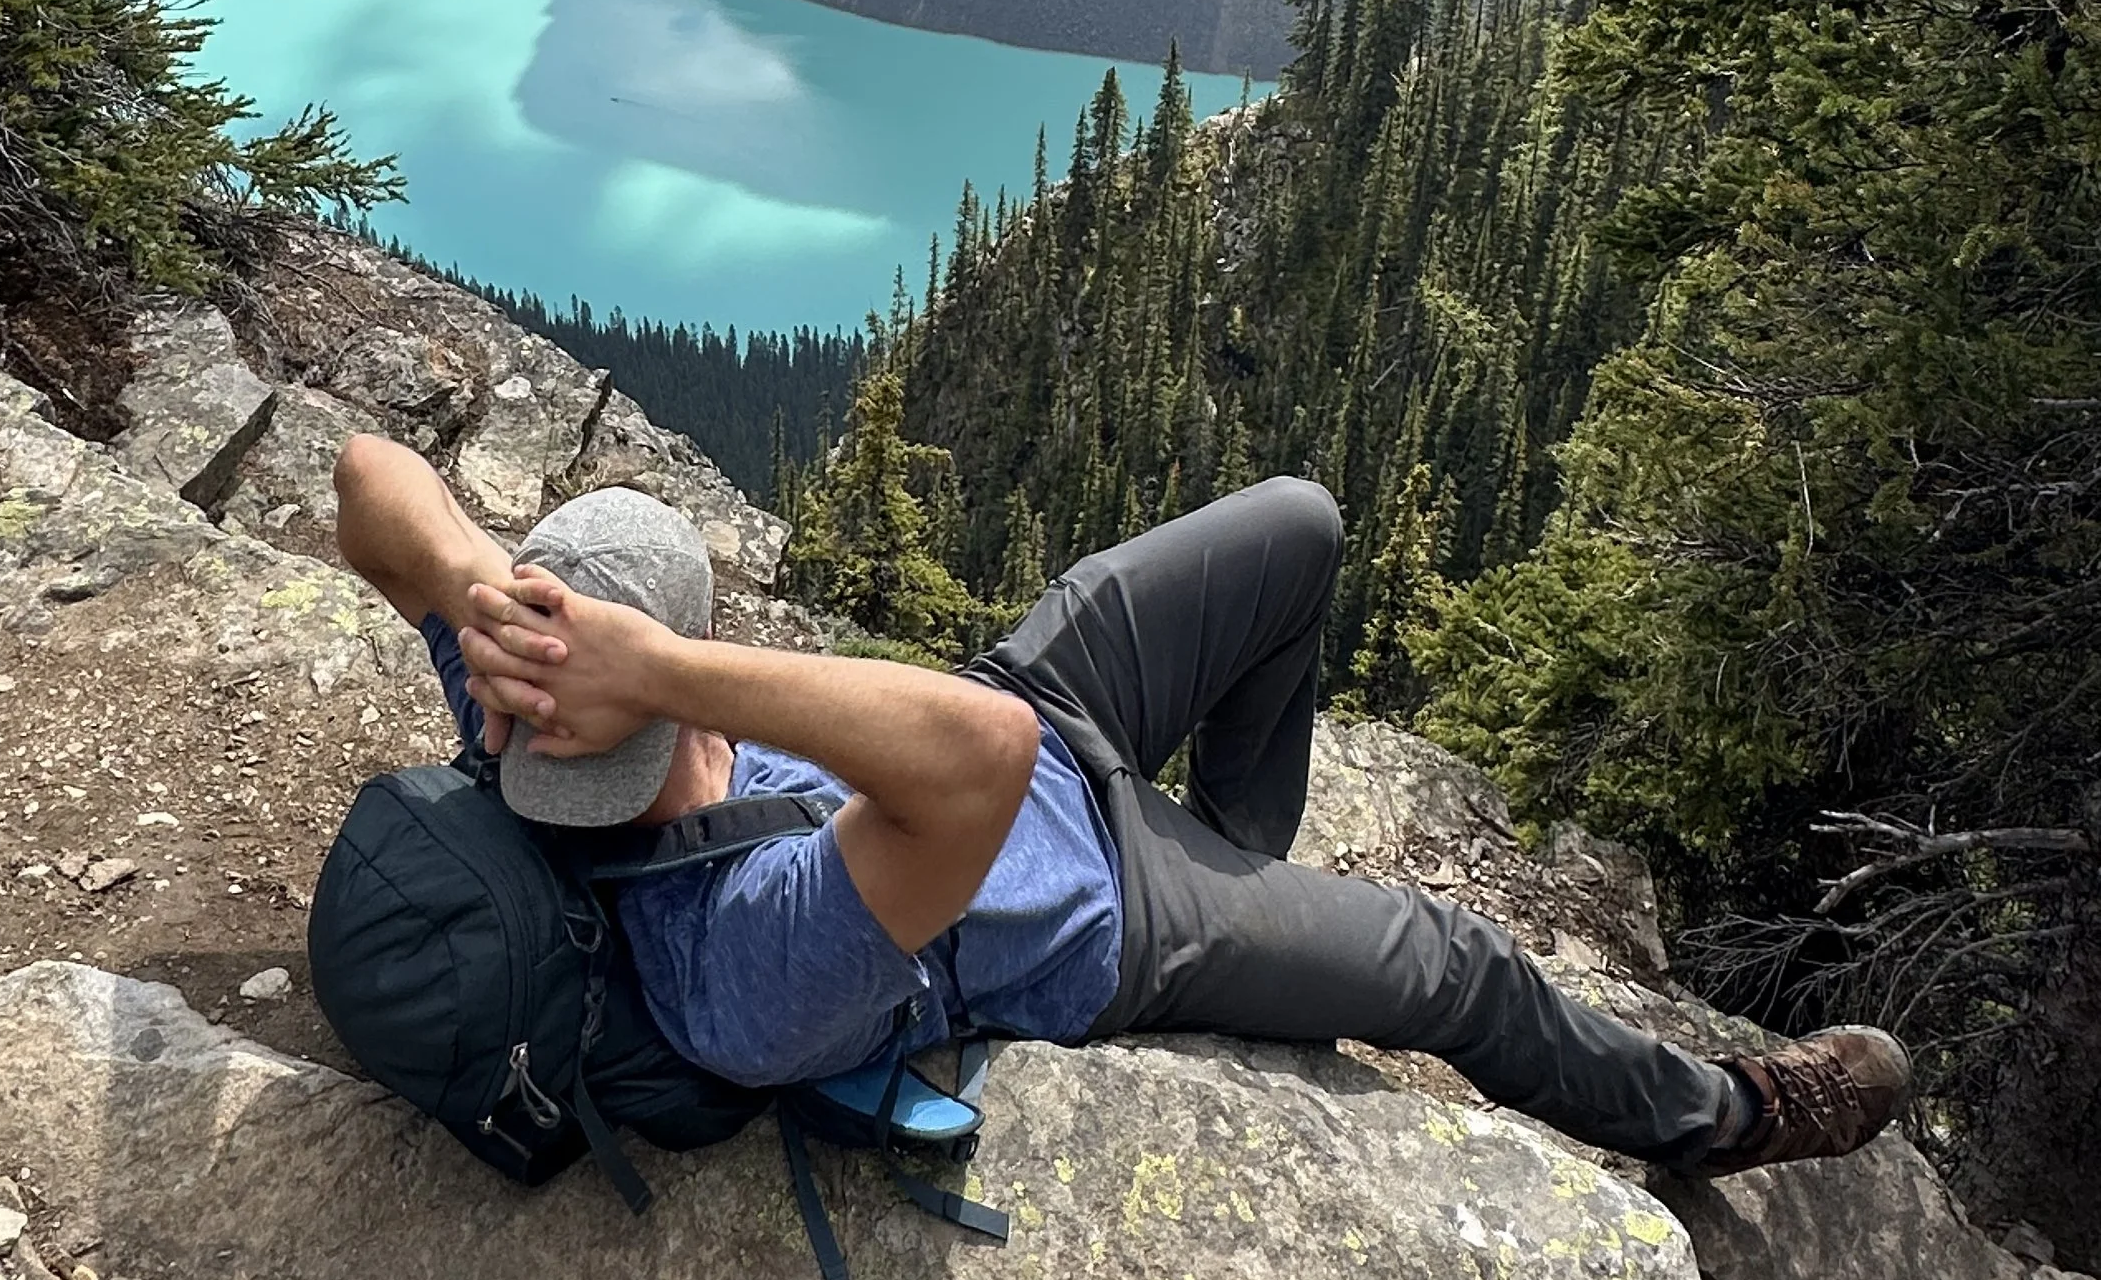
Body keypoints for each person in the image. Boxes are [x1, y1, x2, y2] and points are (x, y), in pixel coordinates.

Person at [332, 434, 1910, 1176]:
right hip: (1109, 916)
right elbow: (973, 768)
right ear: (651, 685)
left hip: (1044, 707)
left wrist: (490, 598)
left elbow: (363, 478)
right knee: (1454, 964)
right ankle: (1720, 1120)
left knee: (1300, 525)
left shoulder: (519, 710)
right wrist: (677, 668)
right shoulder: (740, 960)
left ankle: (1251, 854)